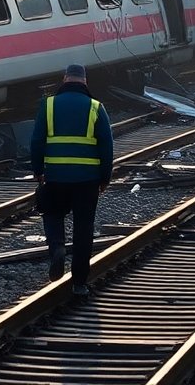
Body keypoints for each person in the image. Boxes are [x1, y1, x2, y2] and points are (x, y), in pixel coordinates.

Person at [31, 64, 114, 296]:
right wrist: (105, 177)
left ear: (65, 79)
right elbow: (107, 146)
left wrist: (38, 170)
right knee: (83, 228)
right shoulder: (95, 107)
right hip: (87, 180)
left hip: (55, 176)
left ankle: (57, 247)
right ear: (85, 81)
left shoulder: (48, 105)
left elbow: (36, 141)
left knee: (52, 213)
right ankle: (79, 283)